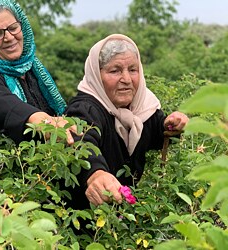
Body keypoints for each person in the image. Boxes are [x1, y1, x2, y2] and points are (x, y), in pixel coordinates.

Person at [64, 34, 189, 209]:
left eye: (133, 69)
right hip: (86, 223)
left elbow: (156, 131)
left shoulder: (140, 107)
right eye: (115, 71)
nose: (126, 79)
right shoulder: (85, 109)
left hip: (123, 220)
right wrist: (96, 174)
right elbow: (80, 142)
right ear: (96, 76)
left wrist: (172, 125)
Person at [0, 0, 76, 144]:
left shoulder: (34, 70)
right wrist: (35, 118)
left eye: (13, 28)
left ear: (22, 26)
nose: (9, 37)